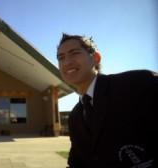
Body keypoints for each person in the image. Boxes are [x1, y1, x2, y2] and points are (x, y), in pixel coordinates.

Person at [57, 33, 157, 168]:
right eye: (61, 57)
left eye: (74, 53)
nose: (66, 62)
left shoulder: (139, 83)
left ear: (96, 58)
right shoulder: (75, 116)